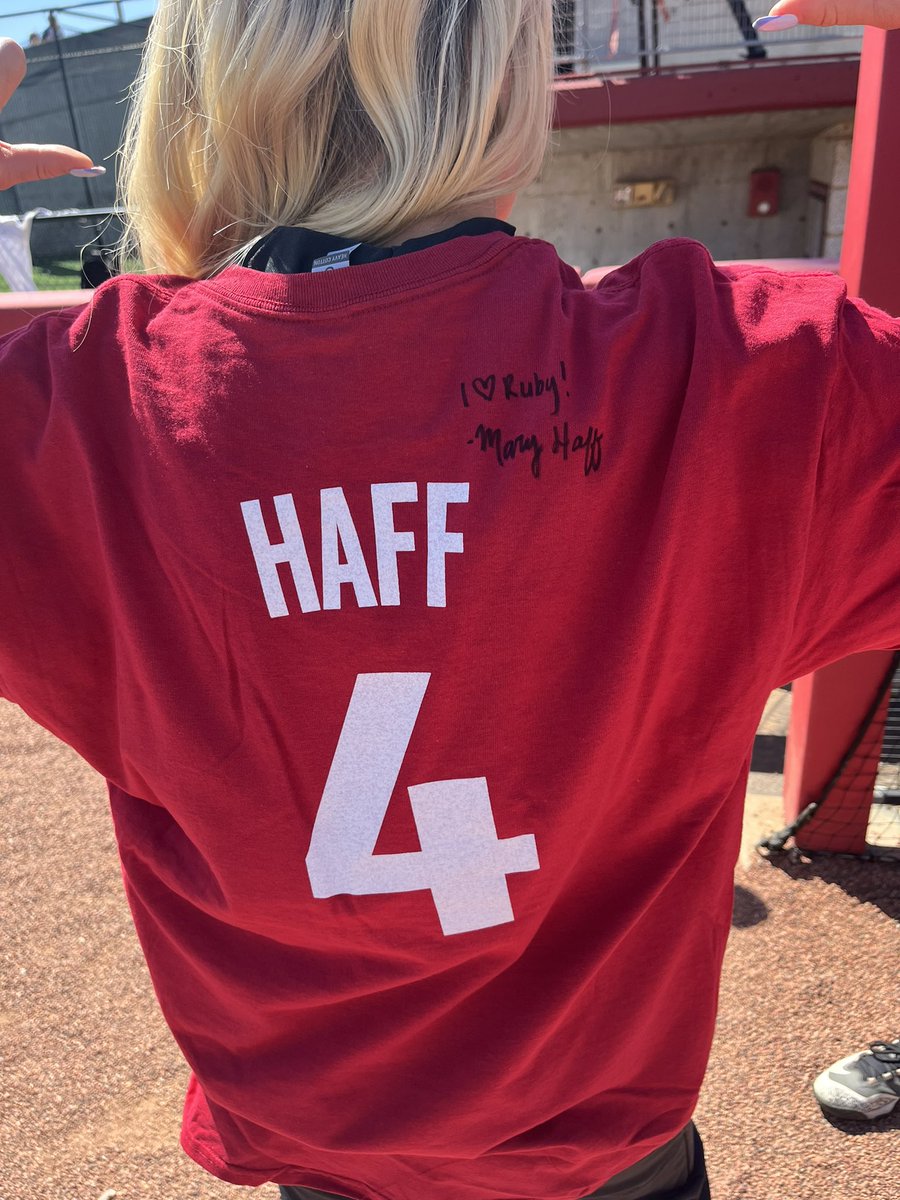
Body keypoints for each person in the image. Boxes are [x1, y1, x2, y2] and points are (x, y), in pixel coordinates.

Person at [0, 3, 898, 1199]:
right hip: (608, 1156)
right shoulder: (761, 374)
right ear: (507, 70)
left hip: (320, 1148)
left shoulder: (66, 418)